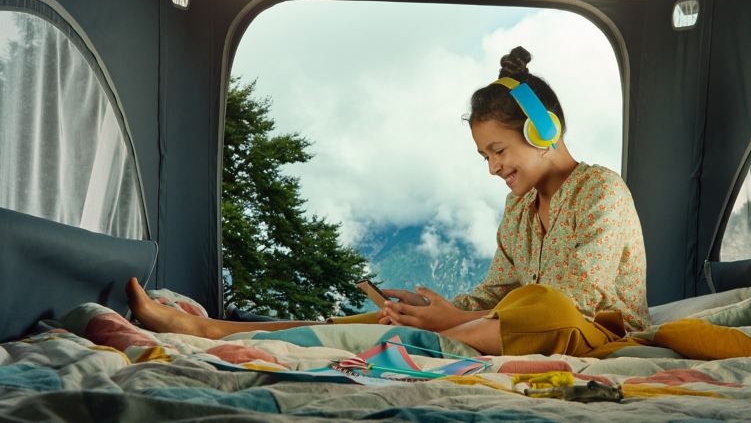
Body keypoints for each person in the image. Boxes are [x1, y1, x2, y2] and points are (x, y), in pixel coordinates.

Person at [127, 46, 649, 356]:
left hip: (589, 333)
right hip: (510, 324)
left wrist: (461, 318)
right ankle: (208, 328)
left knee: (543, 304)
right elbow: (497, 291)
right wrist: (435, 308)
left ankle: (450, 330)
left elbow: (569, 304)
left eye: (498, 151)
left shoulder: (601, 191)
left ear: (544, 130)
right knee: (393, 318)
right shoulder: (518, 209)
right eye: (484, 156)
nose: (493, 168)